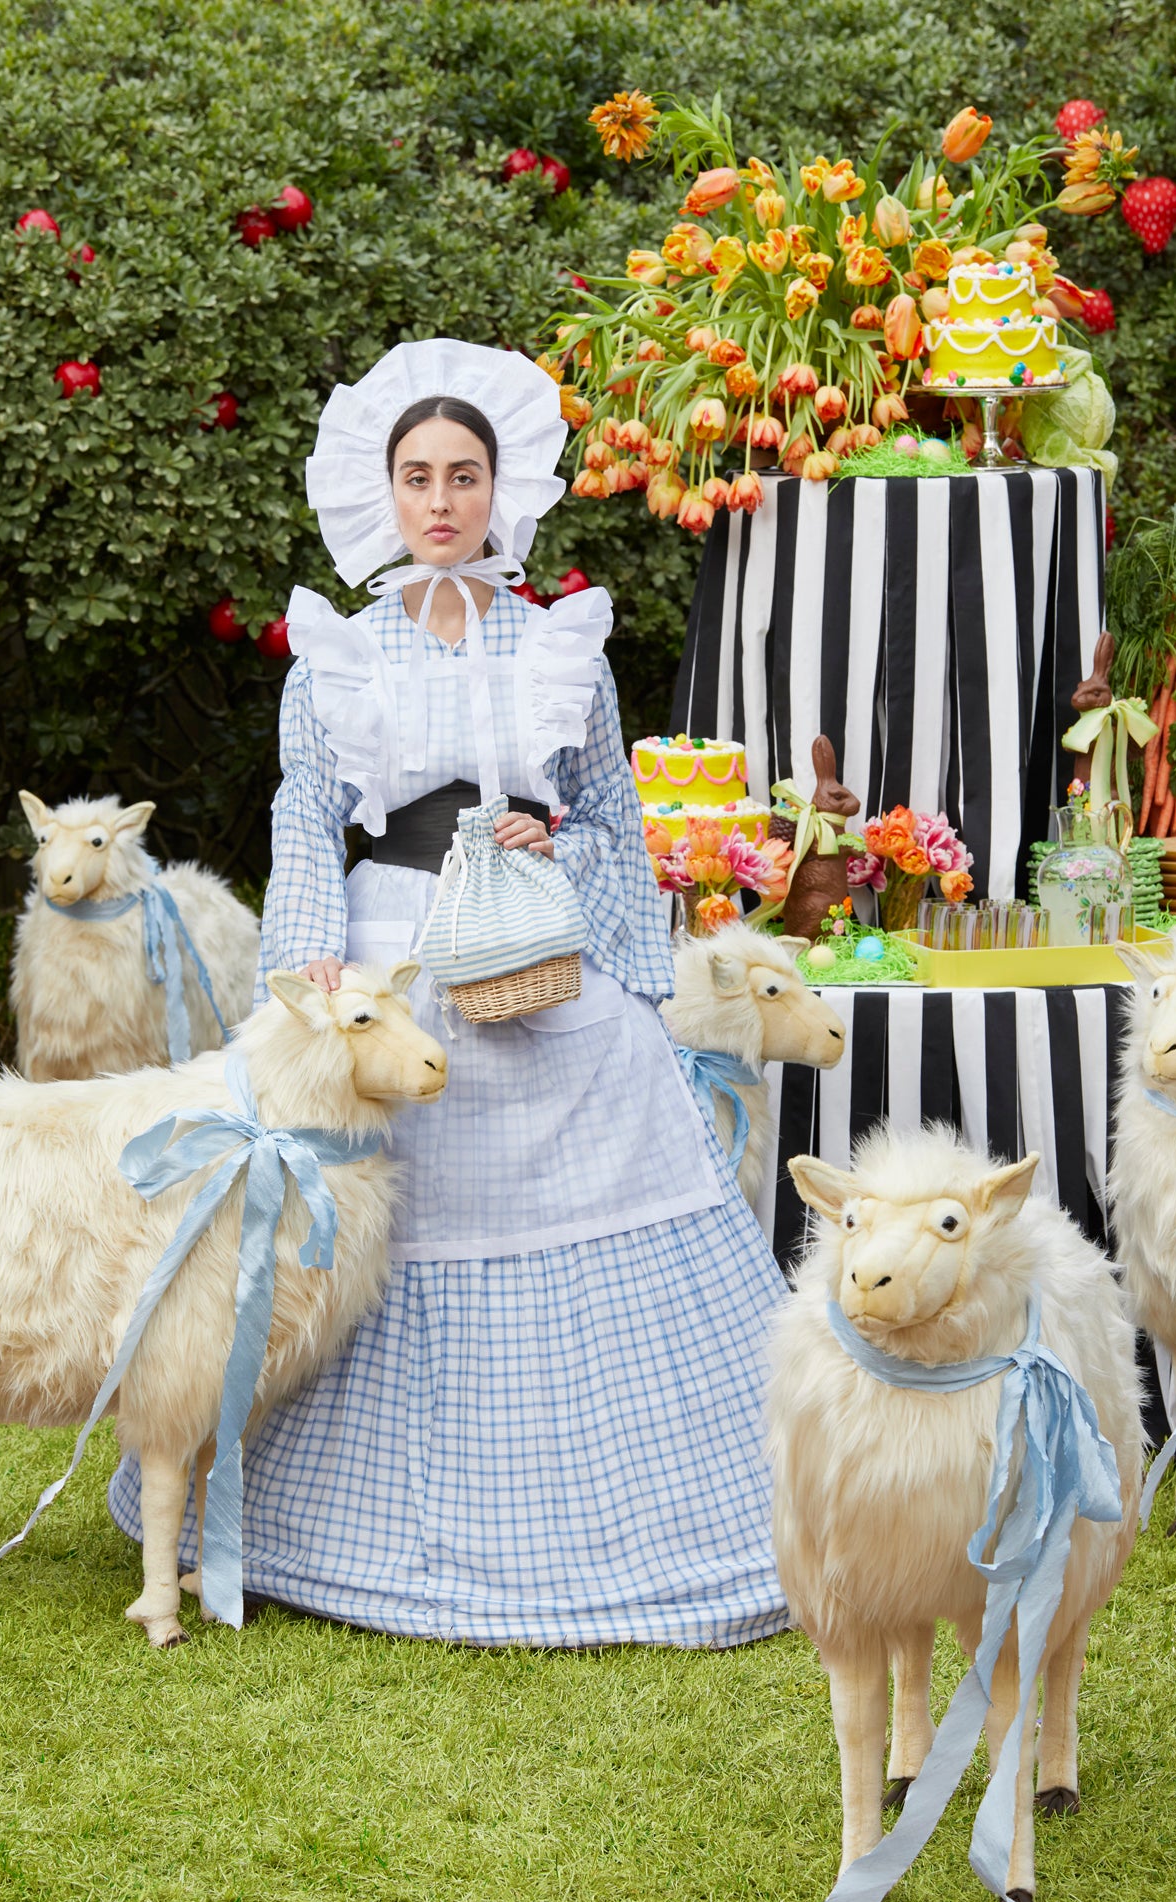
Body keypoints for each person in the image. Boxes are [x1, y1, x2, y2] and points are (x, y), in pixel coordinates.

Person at [109, 340, 791, 1648]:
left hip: (535, 949)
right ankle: (343, 1525)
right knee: (372, 1224)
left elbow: (610, 816)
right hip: (394, 957)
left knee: (621, 1112)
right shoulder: (339, 654)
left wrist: (564, 847)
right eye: (417, 476)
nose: (440, 501)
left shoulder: (560, 647)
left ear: (499, 492)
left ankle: (641, 1517)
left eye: (463, 477)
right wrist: (309, 961)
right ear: (385, 491)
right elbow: (306, 813)